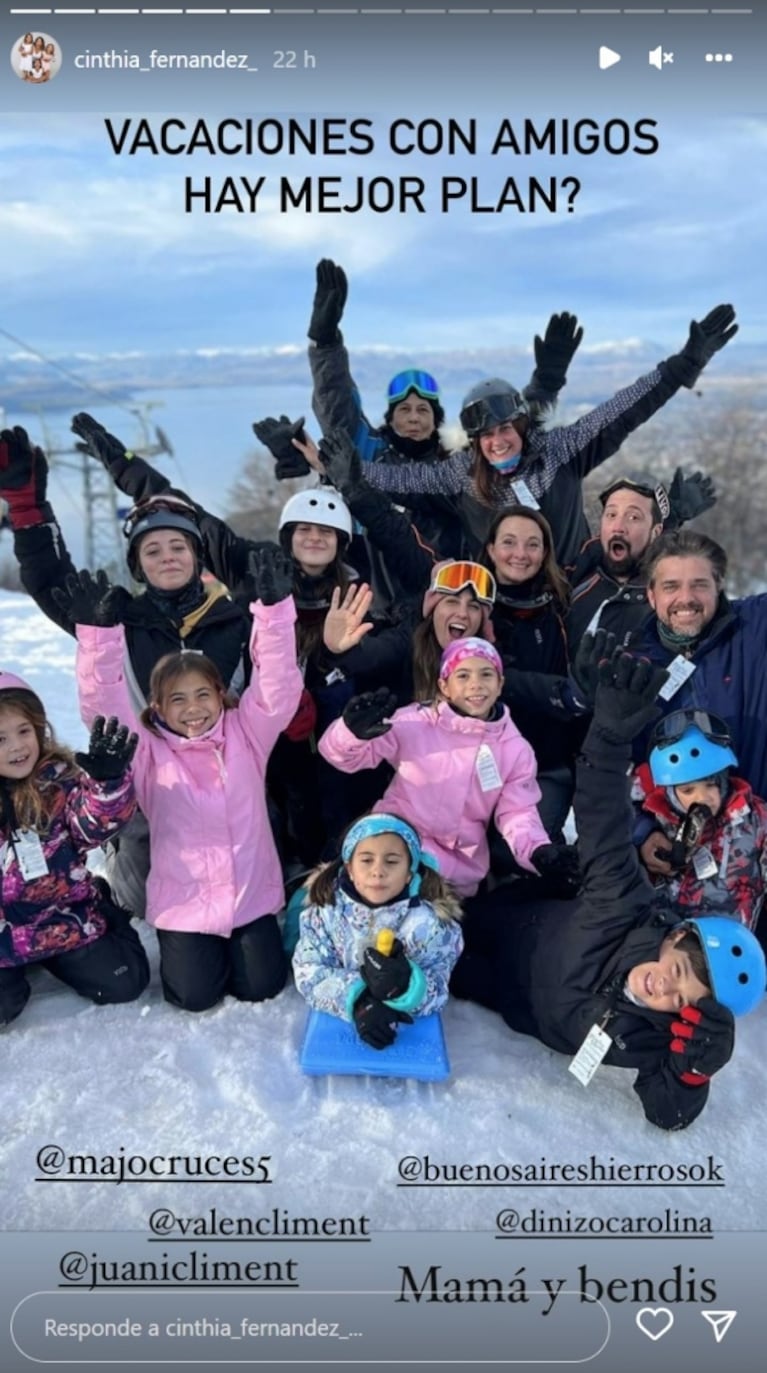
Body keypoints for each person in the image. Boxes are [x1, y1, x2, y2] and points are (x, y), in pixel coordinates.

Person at [450, 648, 766, 1131]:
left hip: (503, 999)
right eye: (678, 970)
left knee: (454, 977)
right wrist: (610, 736)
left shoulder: (663, 1032)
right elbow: (602, 819)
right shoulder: (623, 903)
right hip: (504, 925)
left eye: (681, 999)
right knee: (449, 932)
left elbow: (666, 1112)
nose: (666, 988)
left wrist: (693, 1073)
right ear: (674, 940)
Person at [0, 424, 253, 919]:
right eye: (152, 551)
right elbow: (51, 579)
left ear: (198, 556)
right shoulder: (118, 619)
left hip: (231, 784)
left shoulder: (235, 619)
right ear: (137, 565)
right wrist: (28, 509)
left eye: (179, 547)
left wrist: (134, 472)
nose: (168, 557)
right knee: (140, 905)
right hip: (146, 791)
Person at [73, 550, 303, 1013]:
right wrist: (99, 638)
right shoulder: (147, 751)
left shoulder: (247, 734)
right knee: (193, 997)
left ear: (221, 695)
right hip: (186, 903)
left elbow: (277, 687)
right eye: (177, 699)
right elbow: (106, 708)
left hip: (249, 896)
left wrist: (275, 614)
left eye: (203, 694)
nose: (193, 707)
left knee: (261, 986)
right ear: (157, 708)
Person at [359, 305, 738, 568]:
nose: (498, 441)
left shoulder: (559, 453)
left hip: (575, 593)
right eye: (486, 435)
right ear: (475, 442)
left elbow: (623, 409)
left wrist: (681, 366)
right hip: (502, 609)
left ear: (521, 427)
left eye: (506, 429)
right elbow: (399, 479)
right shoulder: (460, 476)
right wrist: (341, 471)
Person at [304, 259, 583, 563]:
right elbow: (338, 406)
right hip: (379, 591)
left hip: (452, 590)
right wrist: (325, 344)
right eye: (405, 410)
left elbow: (513, 430)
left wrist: (546, 381)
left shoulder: (457, 467)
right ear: (390, 418)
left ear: (436, 420)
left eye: (423, 410)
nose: (413, 417)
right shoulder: (372, 456)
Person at [318, 637, 574, 899]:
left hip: (455, 875)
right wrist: (350, 733)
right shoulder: (415, 722)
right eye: (462, 675)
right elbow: (343, 758)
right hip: (393, 853)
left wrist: (537, 851)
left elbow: (517, 812)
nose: (475, 684)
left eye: (486, 674)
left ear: (500, 685)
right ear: (444, 686)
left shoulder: (514, 749)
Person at [0, 672, 149, 1027]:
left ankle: (105, 910)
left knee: (125, 982)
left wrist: (107, 784)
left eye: (24, 731)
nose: (17, 746)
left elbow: (93, 827)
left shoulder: (59, 781)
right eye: (0, 738)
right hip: (4, 931)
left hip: (60, 915)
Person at [292, 813, 463, 1049]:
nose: (378, 871)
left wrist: (407, 987)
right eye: (366, 860)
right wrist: (359, 999)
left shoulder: (431, 924)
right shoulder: (325, 913)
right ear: (349, 868)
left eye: (391, 862)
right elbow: (308, 969)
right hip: (341, 1021)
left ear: (409, 873)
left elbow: (439, 985)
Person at [632, 527, 767, 805]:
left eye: (699, 584)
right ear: (651, 595)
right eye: (671, 586)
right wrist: (643, 833)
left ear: (718, 586)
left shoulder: (755, 627)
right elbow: (618, 770)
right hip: (676, 838)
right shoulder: (634, 665)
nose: (686, 598)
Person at [632, 709, 767, 937]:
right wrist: (642, 833)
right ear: (670, 791)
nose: (701, 797)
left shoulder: (756, 818)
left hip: (730, 942)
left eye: (710, 784)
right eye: (688, 790)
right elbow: (612, 812)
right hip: (665, 941)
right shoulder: (656, 817)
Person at [566, 469, 716, 653]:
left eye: (633, 517)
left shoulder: (669, 599)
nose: (618, 528)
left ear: (656, 531)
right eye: (611, 515)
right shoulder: (579, 571)